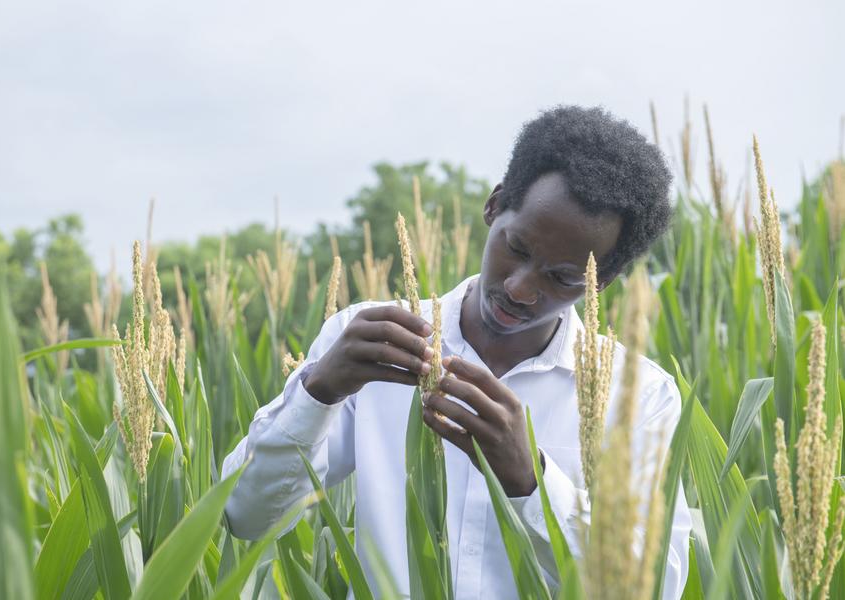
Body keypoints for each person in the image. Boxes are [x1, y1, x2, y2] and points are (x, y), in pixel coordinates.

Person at [222, 105, 693, 599]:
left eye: (561, 278)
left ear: (601, 283)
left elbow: (655, 586)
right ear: (494, 206)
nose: (520, 288)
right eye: (517, 247)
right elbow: (242, 514)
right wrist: (319, 391)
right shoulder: (369, 339)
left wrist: (531, 482)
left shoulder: (639, 396)